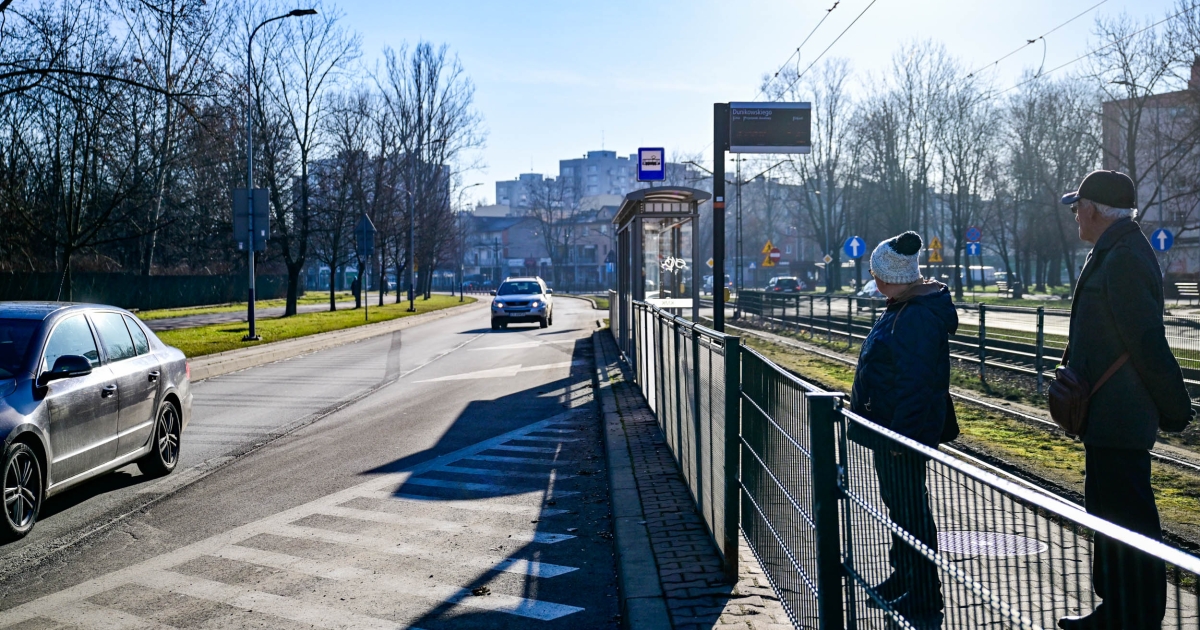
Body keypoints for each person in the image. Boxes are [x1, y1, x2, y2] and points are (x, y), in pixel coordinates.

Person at [1057, 170, 1192, 630]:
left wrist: (1175, 409)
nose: (1075, 214)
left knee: (1129, 523)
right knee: (1110, 518)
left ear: (1094, 209)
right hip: (1107, 416)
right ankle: (1116, 609)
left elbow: (1147, 340)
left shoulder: (1125, 256)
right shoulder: (1113, 250)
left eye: (1078, 207)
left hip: (1122, 416)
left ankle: (1135, 616)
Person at [850, 231, 958, 623]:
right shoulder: (903, 306)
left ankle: (925, 596)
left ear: (888, 276)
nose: (873, 279)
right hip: (891, 429)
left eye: (875, 272)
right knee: (902, 510)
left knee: (912, 513)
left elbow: (917, 385)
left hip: (901, 435)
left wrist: (900, 437)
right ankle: (904, 576)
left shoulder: (914, 315)